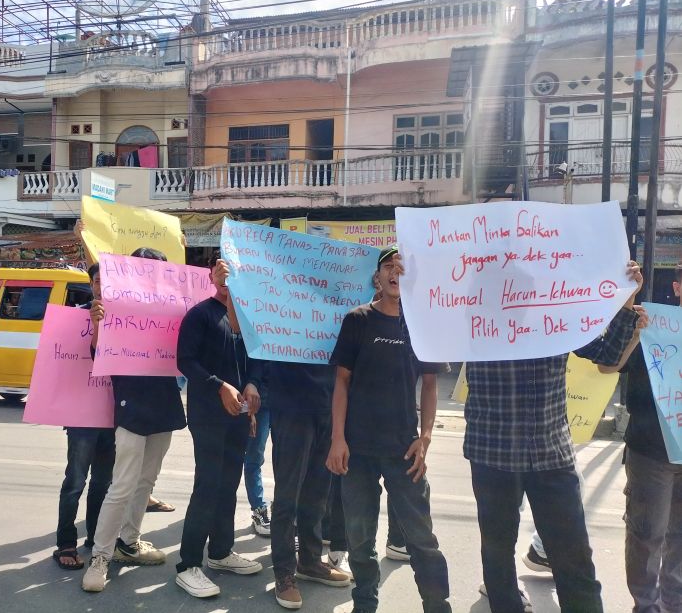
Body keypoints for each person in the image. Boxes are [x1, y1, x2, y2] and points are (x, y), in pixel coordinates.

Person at [464, 260, 643, 613]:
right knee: (497, 553)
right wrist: (414, 285)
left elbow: (608, 356)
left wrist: (625, 300)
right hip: (492, 454)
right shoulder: (469, 324)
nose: (520, 297)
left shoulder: (556, 322)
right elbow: (421, 329)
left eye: (527, 290)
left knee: (574, 556)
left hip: (551, 454)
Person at [327, 247, 451, 613]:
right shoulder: (358, 320)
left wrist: (425, 439)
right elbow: (342, 383)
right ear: (377, 277)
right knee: (361, 540)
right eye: (388, 267)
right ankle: (364, 604)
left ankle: (436, 604)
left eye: (402, 268)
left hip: (404, 450)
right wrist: (337, 438)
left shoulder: (421, 324)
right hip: (357, 450)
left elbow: (430, 386)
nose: (396, 272)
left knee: (422, 538)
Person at [82, 248, 187, 592]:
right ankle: (100, 555)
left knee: (147, 480)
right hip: (130, 402)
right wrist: (98, 324)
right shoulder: (114, 305)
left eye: (157, 270)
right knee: (123, 483)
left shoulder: (175, 308)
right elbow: (97, 354)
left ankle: (129, 541)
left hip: (165, 401)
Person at [174, 253, 263, 598]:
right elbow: (185, 361)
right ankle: (188, 564)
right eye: (222, 272)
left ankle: (221, 552)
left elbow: (254, 360)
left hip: (239, 417)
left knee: (229, 484)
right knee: (208, 484)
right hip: (208, 415)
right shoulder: (200, 315)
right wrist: (219, 385)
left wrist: (252, 386)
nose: (228, 280)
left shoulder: (247, 317)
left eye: (233, 274)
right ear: (213, 276)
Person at [595, 266, 679, 613]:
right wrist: (634, 332)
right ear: (676, 287)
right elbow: (607, 366)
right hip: (651, 451)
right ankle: (646, 607)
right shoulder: (655, 325)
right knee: (647, 535)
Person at [267, 360, 350, 609]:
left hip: (328, 404)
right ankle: (284, 574)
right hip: (291, 407)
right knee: (287, 496)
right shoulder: (280, 320)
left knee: (317, 493)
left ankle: (310, 561)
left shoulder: (341, 319)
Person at [53, 262, 116, 570]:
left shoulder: (127, 320)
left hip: (115, 415)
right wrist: (95, 325)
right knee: (75, 481)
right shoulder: (76, 316)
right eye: (95, 281)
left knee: (103, 484)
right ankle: (66, 542)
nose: (99, 286)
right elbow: (89, 356)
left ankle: (95, 537)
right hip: (82, 417)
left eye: (105, 280)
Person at [245, 402, 271, 537]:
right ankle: (258, 508)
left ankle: (285, 511)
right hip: (261, 403)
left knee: (289, 461)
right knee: (254, 458)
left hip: (289, 404)